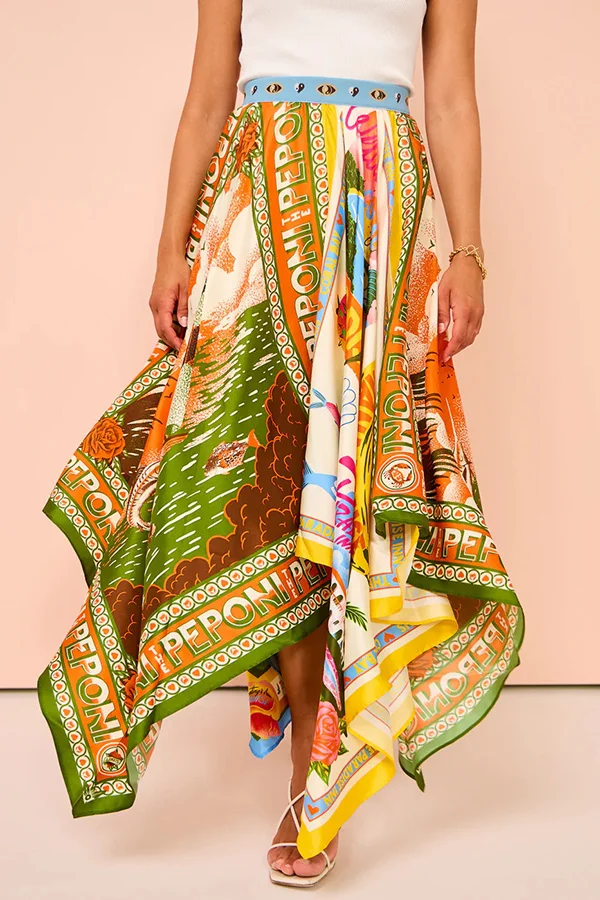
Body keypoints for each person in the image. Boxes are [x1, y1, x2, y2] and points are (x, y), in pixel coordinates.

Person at [38, 0, 525, 889]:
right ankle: (310, 743)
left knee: (348, 483)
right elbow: (206, 95)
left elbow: (452, 96)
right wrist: (169, 247)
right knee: (269, 482)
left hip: (378, 196)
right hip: (256, 200)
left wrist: (470, 251)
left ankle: (317, 766)